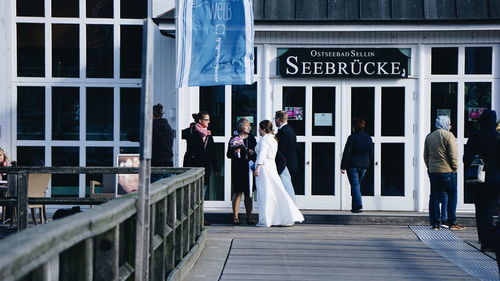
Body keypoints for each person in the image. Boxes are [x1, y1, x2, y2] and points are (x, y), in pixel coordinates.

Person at [254, 120, 304, 227]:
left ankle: (267, 219)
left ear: (263, 129)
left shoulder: (264, 141)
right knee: (276, 190)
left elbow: (262, 155)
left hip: (264, 168)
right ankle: (279, 216)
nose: (258, 130)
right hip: (271, 166)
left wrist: (257, 168)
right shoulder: (273, 139)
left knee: (265, 193)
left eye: (259, 128)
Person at [463, 109, 500, 251]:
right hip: (495, 179)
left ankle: (483, 238)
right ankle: (491, 239)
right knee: (491, 209)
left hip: (478, 178)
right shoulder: (497, 137)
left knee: (480, 209)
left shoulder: (474, 136)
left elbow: (466, 158)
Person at [424, 115, 464, 230]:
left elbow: (425, 155)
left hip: (433, 171)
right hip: (447, 170)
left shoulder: (429, 136)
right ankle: (452, 222)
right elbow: (453, 154)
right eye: (449, 123)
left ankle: (435, 223)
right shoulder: (448, 135)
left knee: (434, 196)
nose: (451, 126)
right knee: (452, 195)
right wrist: (455, 167)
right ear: (445, 124)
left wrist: (430, 167)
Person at [182, 112, 219, 200]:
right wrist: (192, 127)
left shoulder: (208, 134)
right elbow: (181, 134)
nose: (208, 122)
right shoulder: (191, 131)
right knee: (191, 191)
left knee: (202, 191)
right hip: (192, 165)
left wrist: (216, 168)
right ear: (200, 120)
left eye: (209, 120)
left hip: (205, 166)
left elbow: (212, 151)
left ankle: (199, 210)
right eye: (206, 120)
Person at [227, 118, 257, 225]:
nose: (249, 127)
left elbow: (256, 153)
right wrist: (235, 151)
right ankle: (235, 217)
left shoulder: (252, 138)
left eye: (250, 125)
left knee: (249, 193)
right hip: (238, 168)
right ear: (241, 126)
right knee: (237, 192)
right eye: (247, 125)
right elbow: (228, 155)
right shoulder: (234, 138)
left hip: (248, 168)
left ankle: (249, 216)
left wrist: (252, 152)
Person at [340, 118, 373, 213]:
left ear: (354, 127)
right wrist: (368, 163)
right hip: (364, 165)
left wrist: (343, 166)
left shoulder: (352, 137)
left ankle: (357, 205)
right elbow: (370, 153)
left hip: (353, 164)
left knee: (355, 185)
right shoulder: (368, 138)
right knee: (357, 185)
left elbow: (347, 152)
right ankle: (355, 205)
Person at [274, 110, 298, 202]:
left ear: (279, 119)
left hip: (284, 164)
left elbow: (281, 150)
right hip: (290, 162)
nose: (275, 121)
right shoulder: (290, 129)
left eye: (275, 119)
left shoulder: (283, 132)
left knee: (287, 188)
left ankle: (292, 209)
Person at [151, 104, 174, 182]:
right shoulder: (168, 127)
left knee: (154, 191)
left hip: (155, 165)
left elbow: (131, 135)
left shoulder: (151, 127)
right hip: (168, 164)